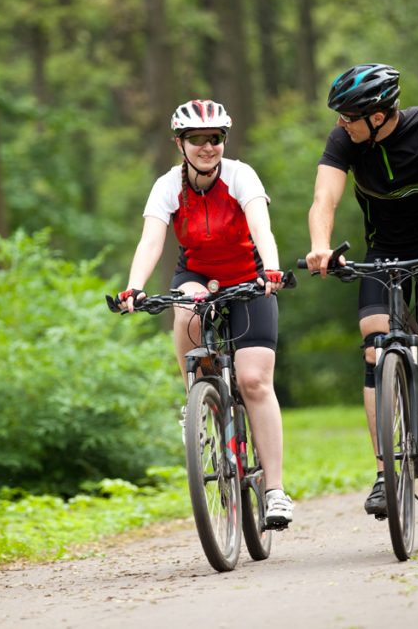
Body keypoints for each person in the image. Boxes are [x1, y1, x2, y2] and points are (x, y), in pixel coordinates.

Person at [304, 63, 418, 519]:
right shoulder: (345, 140)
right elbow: (324, 198)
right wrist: (321, 247)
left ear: (378, 116)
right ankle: (386, 473)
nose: (341, 123)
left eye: (349, 116)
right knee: (374, 345)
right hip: (383, 251)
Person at [117, 99, 294, 528]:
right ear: (180, 144)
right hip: (198, 273)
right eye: (196, 139)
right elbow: (151, 241)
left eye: (214, 138)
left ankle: (275, 491)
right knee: (186, 310)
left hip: (248, 275)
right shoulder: (167, 185)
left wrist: (271, 269)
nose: (207, 146)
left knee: (254, 381)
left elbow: (261, 226)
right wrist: (134, 286)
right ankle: (195, 400)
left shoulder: (240, 175)